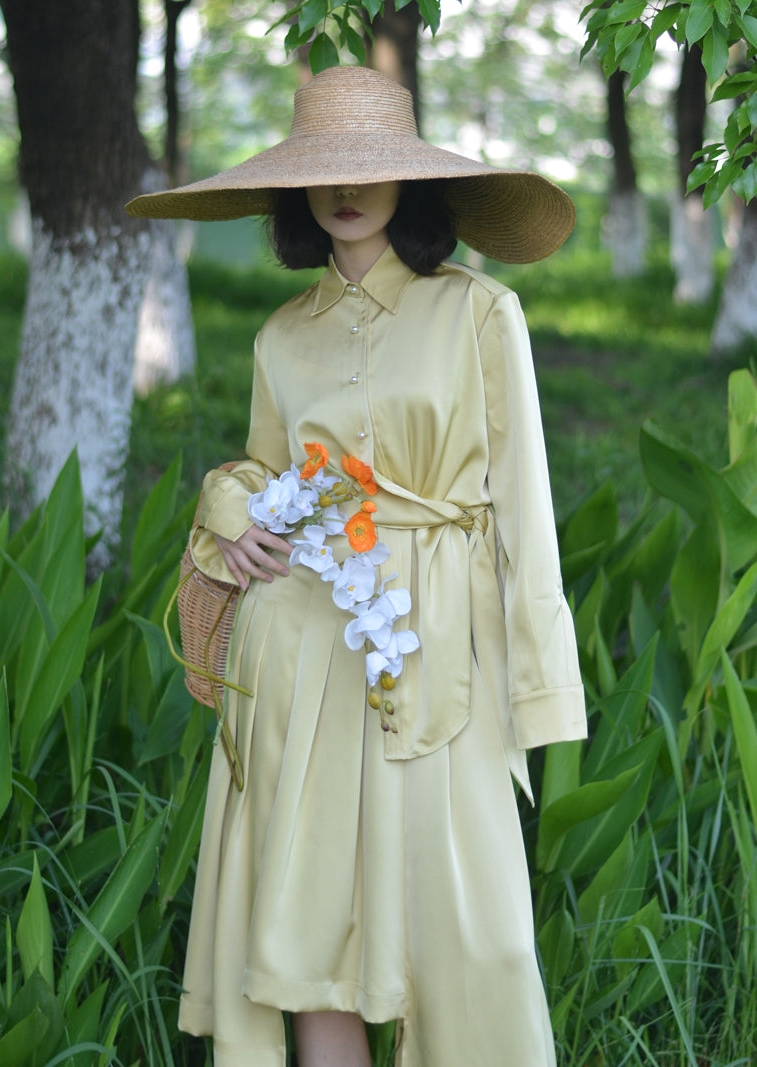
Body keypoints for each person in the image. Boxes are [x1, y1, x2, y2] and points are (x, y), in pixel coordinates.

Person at [127, 64, 587, 1067]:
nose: (346, 189)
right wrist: (230, 505)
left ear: (411, 182)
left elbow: (525, 507)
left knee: (481, 935)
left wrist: (541, 687)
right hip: (301, 646)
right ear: (296, 190)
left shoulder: (479, 313)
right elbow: (263, 464)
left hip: (441, 646)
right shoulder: (281, 337)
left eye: (369, 167)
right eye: (323, 171)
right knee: (312, 938)